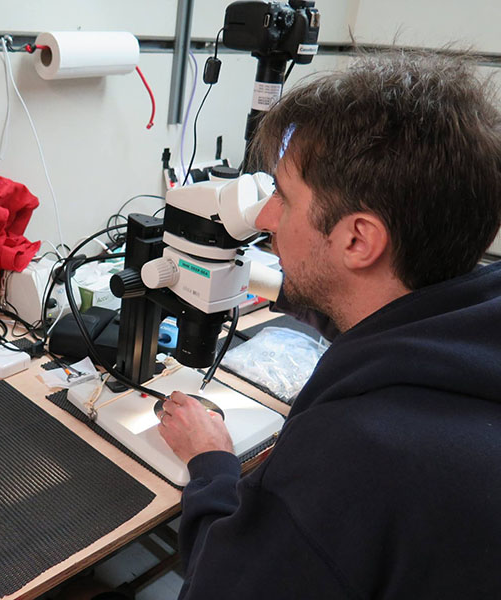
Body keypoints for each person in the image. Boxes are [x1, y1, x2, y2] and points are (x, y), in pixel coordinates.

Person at [157, 50, 501, 599]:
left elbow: (215, 585)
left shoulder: (356, 455)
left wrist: (212, 464)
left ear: (358, 240)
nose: (266, 219)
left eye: (284, 200)